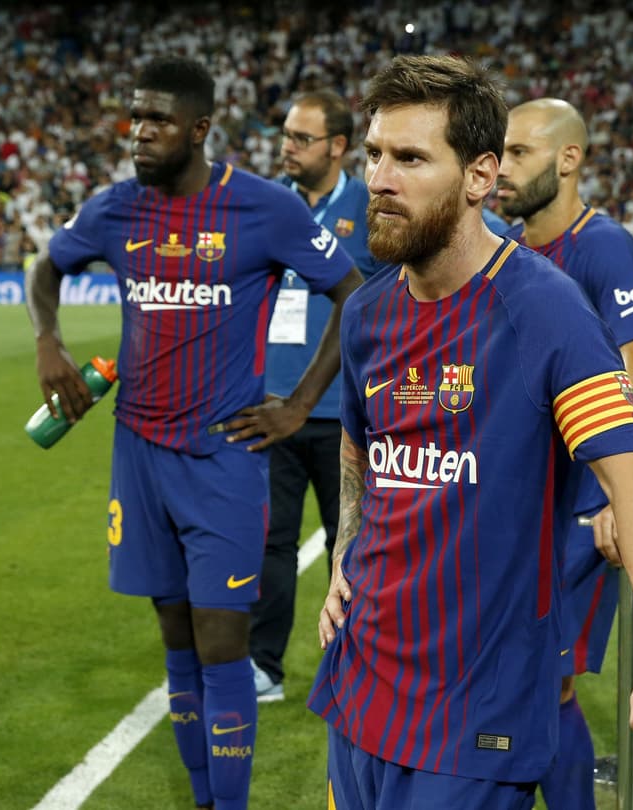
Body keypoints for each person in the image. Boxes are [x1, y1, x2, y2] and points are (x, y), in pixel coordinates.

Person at [309, 54, 633, 810]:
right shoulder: (368, 314)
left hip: (476, 712)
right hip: (360, 685)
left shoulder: (546, 309)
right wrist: (344, 552)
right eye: (374, 154)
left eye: (410, 158)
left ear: (479, 176)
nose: (379, 178)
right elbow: (359, 450)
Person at [25, 56, 363, 810]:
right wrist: (48, 341)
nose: (140, 134)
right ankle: (207, 801)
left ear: (200, 128)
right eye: (135, 118)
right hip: (137, 455)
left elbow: (355, 293)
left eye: (158, 121)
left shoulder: (264, 208)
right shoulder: (116, 209)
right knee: (175, 640)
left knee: (222, 646)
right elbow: (47, 268)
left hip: (223, 459)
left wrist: (301, 402)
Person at [498, 97, 633, 810]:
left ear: (568, 160)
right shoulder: (505, 243)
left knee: (549, 678)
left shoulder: (602, 247)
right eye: (500, 153)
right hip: (514, 497)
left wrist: (618, 497)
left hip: (575, 502)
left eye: (519, 153)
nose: (502, 167)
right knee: (513, 673)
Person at [251, 89, 377, 704]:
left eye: (301, 138)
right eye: (286, 135)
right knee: (268, 543)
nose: (287, 147)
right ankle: (263, 667)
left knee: (347, 545)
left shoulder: (372, 206)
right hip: (271, 412)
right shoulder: (271, 207)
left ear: (337, 146)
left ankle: (351, 669)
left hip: (343, 414)